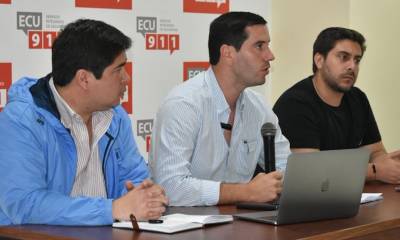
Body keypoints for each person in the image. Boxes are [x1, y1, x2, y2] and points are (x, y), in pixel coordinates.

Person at [0, 19, 168, 226]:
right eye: (118, 70)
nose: (127, 79)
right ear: (84, 79)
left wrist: (147, 196)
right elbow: (23, 204)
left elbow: (136, 178)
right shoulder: (22, 120)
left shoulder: (115, 116)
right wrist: (113, 208)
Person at [149, 12, 290, 206]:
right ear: (228, 53)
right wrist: (245, 192)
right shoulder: (184, 104)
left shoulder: (258, 107)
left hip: (240, 225)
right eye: (259, 46)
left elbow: (286, 168)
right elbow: (171, 188)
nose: (270, 56)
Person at [273, 27, 400, 184]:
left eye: (357, 60)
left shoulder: (357, 98)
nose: (352, 66)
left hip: (350, 196)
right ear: (319, 60)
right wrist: (374, 171)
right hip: (305, 202)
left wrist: (389, 165)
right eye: (343, 57)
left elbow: (375, 152)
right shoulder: (295, 103)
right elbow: (310, 171)